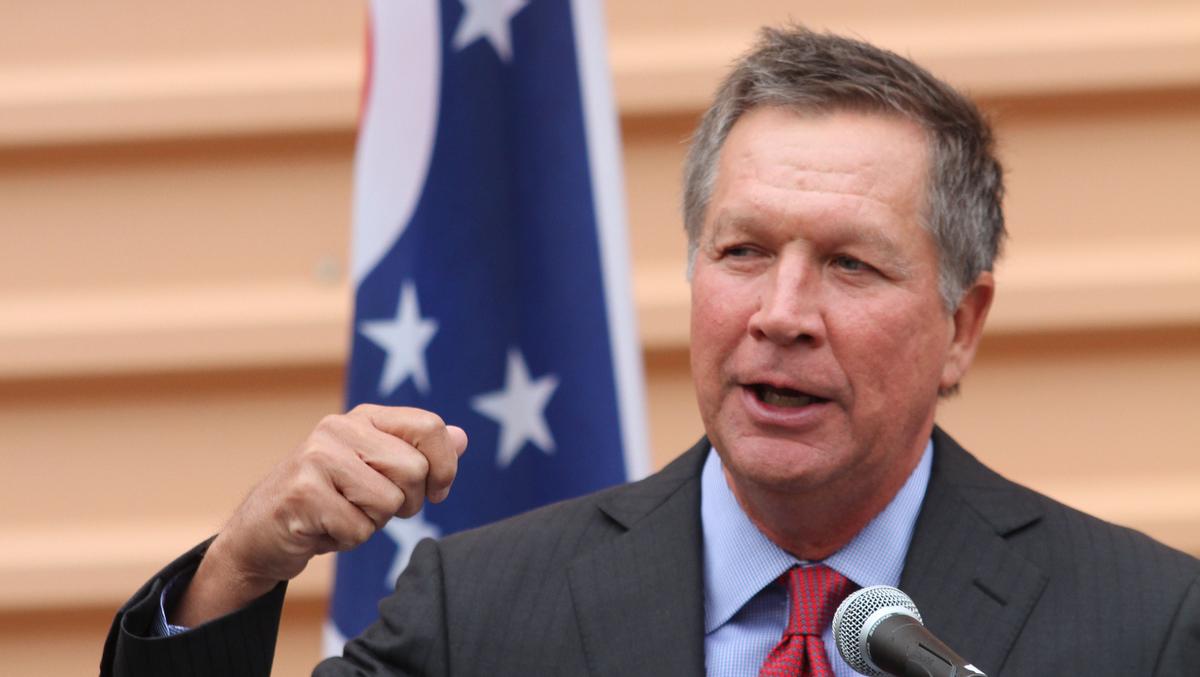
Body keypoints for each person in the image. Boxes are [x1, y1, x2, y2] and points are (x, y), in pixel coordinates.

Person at [102, 26, 1199, 677]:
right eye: (743, 251)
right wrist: (237, 570)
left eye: (851, 265)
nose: (781, 312)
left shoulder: (1146, 626)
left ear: (962, 325)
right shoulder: (477, 613)